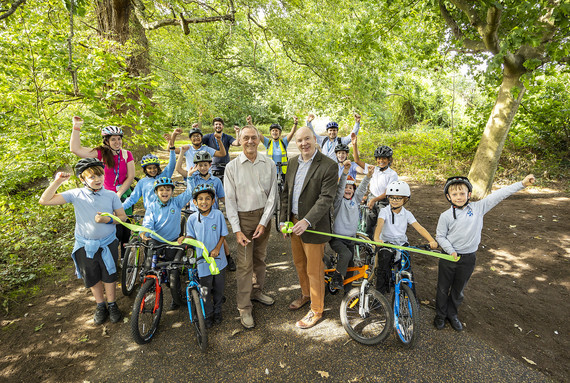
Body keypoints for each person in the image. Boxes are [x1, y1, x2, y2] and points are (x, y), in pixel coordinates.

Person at [434, 174, 536, 332]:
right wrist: (451, 250)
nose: (459, 197)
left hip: (468, 258)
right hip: (448, 257)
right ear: (448, 196)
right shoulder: (445, 216)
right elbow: (440, 236)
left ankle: (452, 314)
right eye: (454, 194)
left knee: (458, 289)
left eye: (462, 193)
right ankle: (440, 315)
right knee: (442, 288)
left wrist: (521, 184)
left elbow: (499, 195)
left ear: (469, 194)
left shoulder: (478, 208)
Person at [39, 159, 127, 325]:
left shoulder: (111, 195)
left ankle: (112, 304)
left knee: (109, 274)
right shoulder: (76, 194)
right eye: (92, 176)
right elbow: (45, 200)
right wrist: (57, 181)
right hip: (85, 245)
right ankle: (100, 305)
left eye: (99, 174)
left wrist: (108, 220)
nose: (97, 179)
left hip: (107, 243)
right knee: (92, 276)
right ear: (82, 179)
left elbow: (122, 217)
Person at [279, 126, 337, 329]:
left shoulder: (329, 165)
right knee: (299, 263)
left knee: (314, 270)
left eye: (307, 139)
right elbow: (286, 192)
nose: (304, 143)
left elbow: (326, 198)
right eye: (300, 140)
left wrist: (307, 221)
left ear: (315, 139)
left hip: (313, 226)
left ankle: (317, 309)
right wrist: (284, 220)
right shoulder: (293, 162)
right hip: (293, 223)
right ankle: (306, 295)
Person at [224, 124, 278, 329]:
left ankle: (257, 292)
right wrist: (236, 230)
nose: (250, 142)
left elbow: (272, 196)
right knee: (245, 265)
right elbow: (229, 200)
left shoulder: (269, 163)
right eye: (245, 137)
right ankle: (244, 307)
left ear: (259, 139)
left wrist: (264, 222)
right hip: (243, 219)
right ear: (239, 140)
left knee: (260, 259)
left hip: (264, 217)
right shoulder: (232, 167)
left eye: (253, 138)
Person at [70, 116, 135, 256]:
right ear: (106, 141)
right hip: (105, 196)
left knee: (125, 228)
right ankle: (109, 256)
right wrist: (76, 127)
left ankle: (125, 258)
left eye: (119, 139)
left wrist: (119, 193)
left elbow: (130, 177)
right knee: (112, 228)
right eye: (113, 139)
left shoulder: (126, 154)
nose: (117, 142)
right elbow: (75, 149)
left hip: (124, 195)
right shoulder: (100, 154)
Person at [372, 180, 438, 294]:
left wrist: (431, 240)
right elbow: (380, 225)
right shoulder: (384, 211)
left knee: (407, 269)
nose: (394, 200)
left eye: (398, 198)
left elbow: (419, 227)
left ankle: (410, 296)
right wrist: (377, 238)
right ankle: (379, 297)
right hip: (386, 242)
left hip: (402, 243)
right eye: (392, 197)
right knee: (383, 268)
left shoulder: (407, 213)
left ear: (405, 199)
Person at [179, 184, 228, 328]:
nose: (204, 202)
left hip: (218, 260)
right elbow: (191, 236)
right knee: (205, 290)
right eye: (200, 199)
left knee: (218, 288)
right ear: (194, 202)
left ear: (213, 201)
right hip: (202, 262)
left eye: (208, 198)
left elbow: (223, 234)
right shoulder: (193, 219)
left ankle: (218, 310)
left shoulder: (218, 215)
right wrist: (185, 238)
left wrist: (218, 249)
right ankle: (208, 314)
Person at [141, 177, 193, 310]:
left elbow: (189, 192)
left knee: (172, 270)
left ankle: (176, 295)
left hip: (172, 241)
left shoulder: (176, 202)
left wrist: (190, 177)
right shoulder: (152, 207)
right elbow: (148, 222)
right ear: (156, 192)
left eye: (168, 189)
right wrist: (145, 232)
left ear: (172, 191)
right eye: (161, 190)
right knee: (149, 263)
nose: (165, 192)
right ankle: (149, 285)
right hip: (156, 240)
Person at [329, 162, 374, 290]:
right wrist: (345, 171)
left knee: (350, 265)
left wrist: (369, 175)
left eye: (351, 188)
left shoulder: (355, 200)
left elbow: (363, 187)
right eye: (346, 188)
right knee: (346, 255)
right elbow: (340, 188)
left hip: (351, 238)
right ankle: (336, 277)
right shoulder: (338, 201)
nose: (348, 190)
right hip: (337, 238)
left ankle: (347, 292)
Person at [122, 128, 181, 211]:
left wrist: (171, 147)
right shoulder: (142, 182)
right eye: (149, 168)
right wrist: (119, 208)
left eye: (155, 167)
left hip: (165, 212)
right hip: (150, 214)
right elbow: (132, 199)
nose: (153, 170)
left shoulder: (163, 177)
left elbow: (172, 165)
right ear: (145, 169)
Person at [354, 144, 398, 238]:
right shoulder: (374, 169)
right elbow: (357, 161)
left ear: (389, 159)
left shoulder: (392, 174)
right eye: (379, 158)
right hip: (371, 198)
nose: (381, 161)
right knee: (368, 225)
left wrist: (374, 200)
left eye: (384, 158)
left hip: (383, 201)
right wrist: (354, 144)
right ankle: (368, 246)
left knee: (383, 225)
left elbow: (387, 193)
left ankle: (381, 247)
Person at [260, 116, 299, 182]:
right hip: (271, 171)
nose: (274, 132)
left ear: (279, 133)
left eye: (276, 131)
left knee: (284, 189)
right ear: (270, 133)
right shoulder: (268, 143)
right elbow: (258, 134)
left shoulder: (283, 142)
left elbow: (292, 133)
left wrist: (295, 123)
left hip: (283, 171)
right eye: (273, 131)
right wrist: (250, 123)